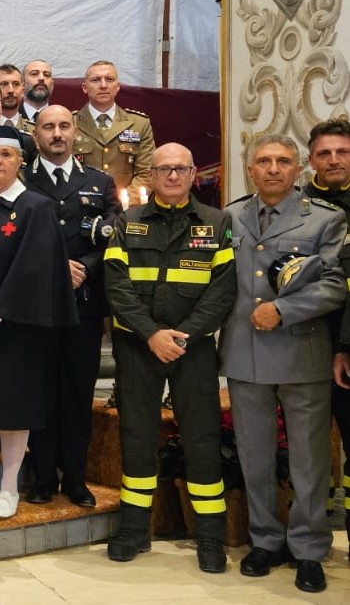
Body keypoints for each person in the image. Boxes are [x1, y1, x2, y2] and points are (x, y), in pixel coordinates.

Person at [102, 142, 235, 573]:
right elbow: (116, 286)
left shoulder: (217, 223)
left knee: (201, 440)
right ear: (152, 176)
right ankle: (134, 531)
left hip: (192, 349)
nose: (173, 176)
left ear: (194, 173)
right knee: (137, 437)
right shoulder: (127, 222)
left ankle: (211, 539)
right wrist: (151, 333)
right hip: (137, 347)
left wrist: (183, 336)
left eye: (180, 169)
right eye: (164, 170)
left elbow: (223, 291)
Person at [223, 134, 347, 593]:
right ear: (249, 169)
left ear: (299, 170)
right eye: (263, 161)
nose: (273, 168)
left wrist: (284, 309)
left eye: (283, 161)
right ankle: (265, 540)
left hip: (301, 352)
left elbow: (335, 284)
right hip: (244, 354)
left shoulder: (325, 220)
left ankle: (310, 548)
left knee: (309, 461)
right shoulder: (231, 216)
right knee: (254, 455)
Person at [0, 126, 77, 520]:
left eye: (7, 155)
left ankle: (10, 487)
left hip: (17, 328)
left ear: (20, 160)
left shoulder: (36, 207)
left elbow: (33, 269)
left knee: (13, 408)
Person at [23, 105, 121, 508]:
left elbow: (116, 237)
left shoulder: (99, 182)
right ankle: (43, 476)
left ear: (77, 132)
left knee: (78, 394)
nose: (57, 133)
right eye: (49, 127)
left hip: (83, 304)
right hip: (34, 306)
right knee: (39, 392)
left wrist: (85, 266)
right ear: (36, 135)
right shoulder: (19, 180)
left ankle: (76, 479)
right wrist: (53, 267)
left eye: (65, 126)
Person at [306, 120, 350, 522]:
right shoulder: (299, 205)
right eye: (325, 153)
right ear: (311, 160)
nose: (334, 160)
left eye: (342, 152)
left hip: (347, 342)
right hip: (309, 336)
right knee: (310, 440)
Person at [73, 60, 156, 206]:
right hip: (81, 207)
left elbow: (146, 173)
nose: (103, 85)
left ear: (117, 87)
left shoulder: (139, 124)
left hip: (125, 209)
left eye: (109, 79)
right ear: (85, 88)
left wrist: (121, 203)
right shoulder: (69, 122)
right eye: (96, 80)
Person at [0, 64, 30, 131]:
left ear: (23, 91)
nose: (11, 90)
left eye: (16, 84)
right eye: (4, 84)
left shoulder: (34, 130)